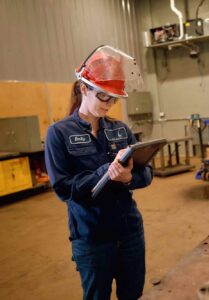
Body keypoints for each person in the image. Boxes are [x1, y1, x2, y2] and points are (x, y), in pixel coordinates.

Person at [45, 45, 151, 300]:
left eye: (114, 98)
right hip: (92, 239)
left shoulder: (120, 129)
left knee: (133, 294)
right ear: (84, 89)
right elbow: (63, 188)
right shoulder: (59, 133)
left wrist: (128, 179)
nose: (110, 104)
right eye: (104, 96)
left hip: (130, 233)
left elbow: (146, 173)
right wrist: (105, 172)